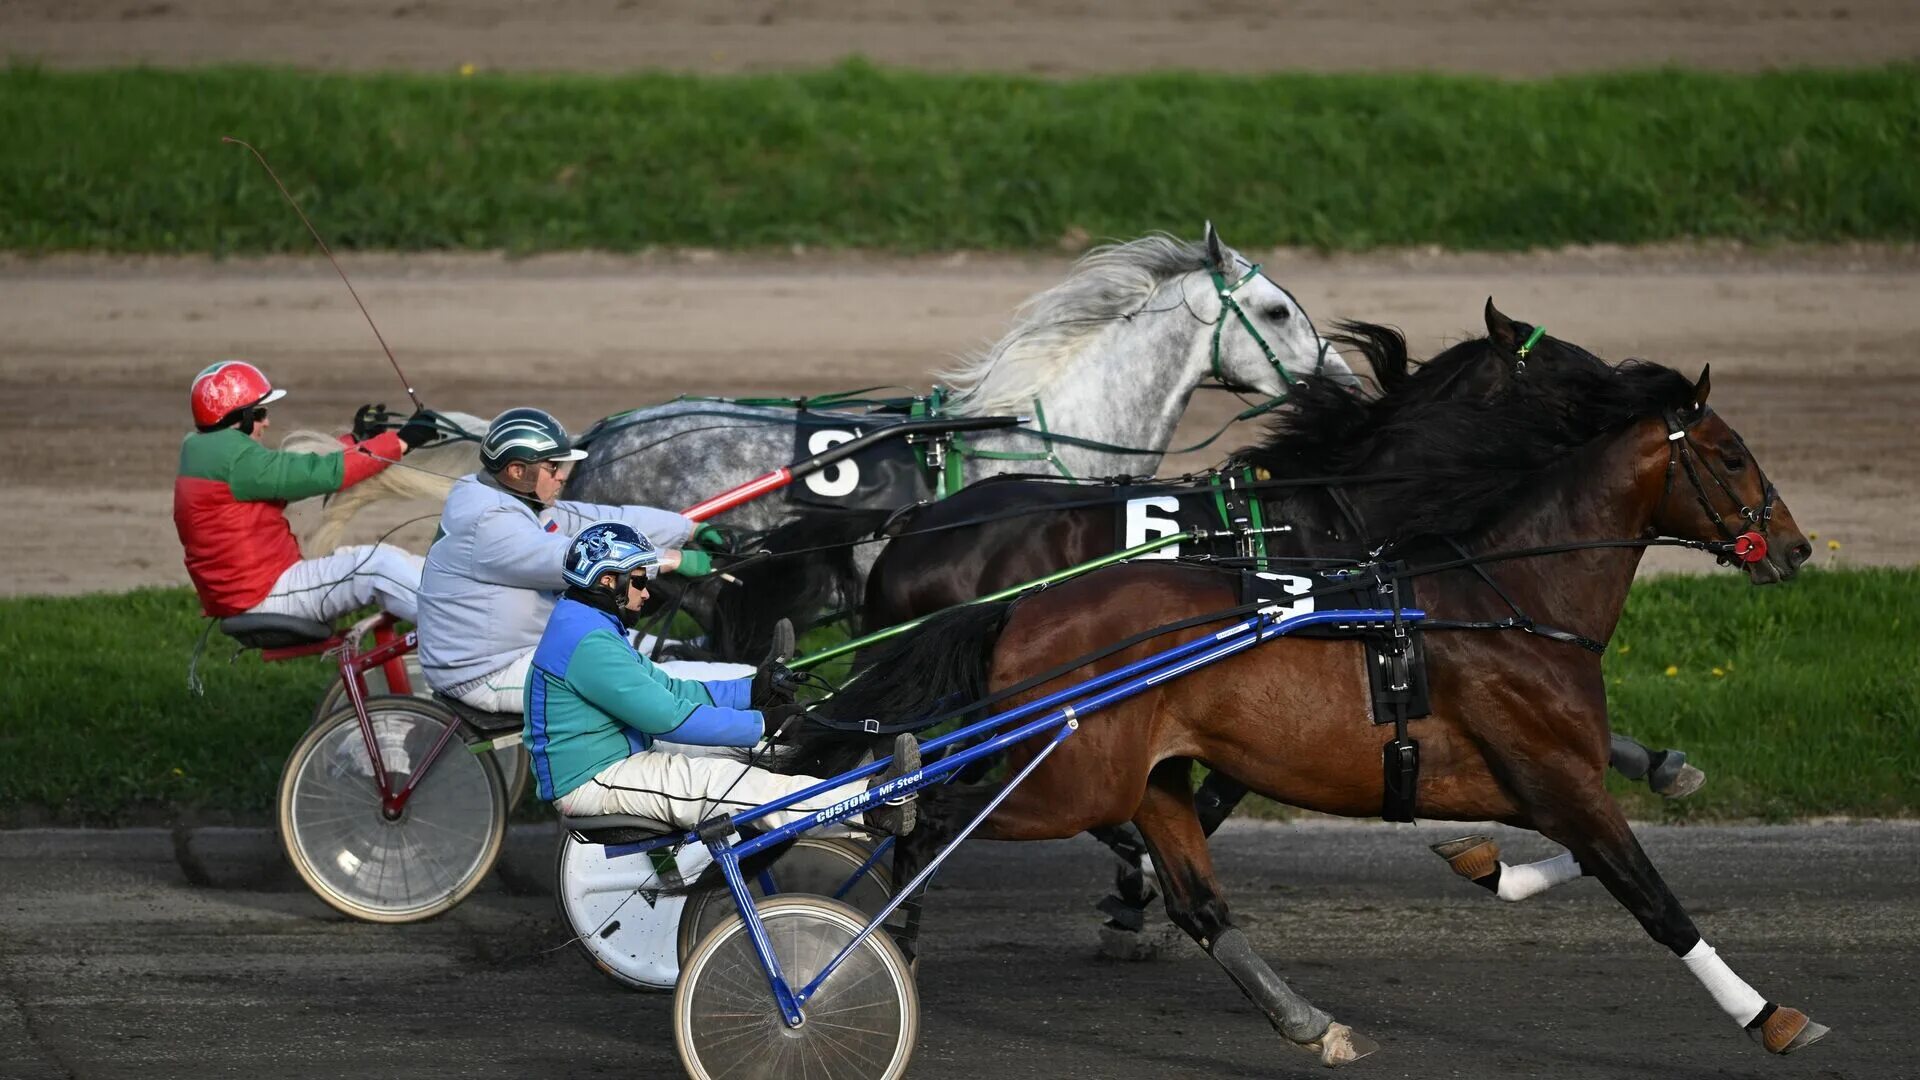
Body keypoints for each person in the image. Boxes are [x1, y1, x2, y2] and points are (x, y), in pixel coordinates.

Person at [528, 521, 918, 835]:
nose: (647, 593)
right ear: (609, 581)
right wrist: (762, 724)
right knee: (726, 782)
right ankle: (870, 807)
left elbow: (668, 689)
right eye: (640, 580)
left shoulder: (589, 622)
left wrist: (749, 691)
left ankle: (855, 771)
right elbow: (666, 718)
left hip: (621, 757)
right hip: (593, 780)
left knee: (754, 757)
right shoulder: (587, 642)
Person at [416, 406, 719, 714]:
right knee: (641, 686)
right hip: (486, 673)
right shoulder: (488, 522)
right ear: (517, 471)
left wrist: (688, 528)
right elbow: (574, 559)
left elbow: (605, 520)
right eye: (553, 467)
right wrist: (669, 559)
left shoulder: (514, 499)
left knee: (659, 657)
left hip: (527, 648)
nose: (562, 476)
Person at [173, 360, 441, 622]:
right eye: (259, 413)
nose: (266, 422)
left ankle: (457, 603)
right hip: (266, 596)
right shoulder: (235, 460)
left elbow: (297, 476)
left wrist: (354, 442)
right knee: (378, 569)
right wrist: (401, 442)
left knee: (388, 559)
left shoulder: (209, 456)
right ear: (238, 418)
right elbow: (321, 474)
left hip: (255, 592)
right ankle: (460, 627)